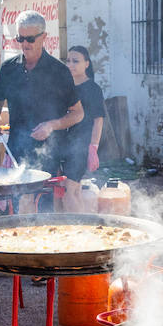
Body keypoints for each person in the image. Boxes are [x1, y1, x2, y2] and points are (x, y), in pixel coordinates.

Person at [0, 10, 82, 195]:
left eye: (30, 39)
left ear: (44, 37)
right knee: (18, 207)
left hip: (50, 154)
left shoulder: (59, 71)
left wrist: (52, 125)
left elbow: (78, 113)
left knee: (43, 212)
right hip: (16, 152)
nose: (24, 44)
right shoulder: (8, 69)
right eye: (20, 39)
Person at [63, 45, 105, 211]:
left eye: (76, 61)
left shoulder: (93, 89)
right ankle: (84, 227)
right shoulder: (66, 86)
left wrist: (93, 147)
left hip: (81, 146)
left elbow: (98, 120)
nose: (70, 65)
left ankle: (76, 228)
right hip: (65, 145)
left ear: (87, 64)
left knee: (69, 190)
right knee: (75, 190)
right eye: (68, 61)